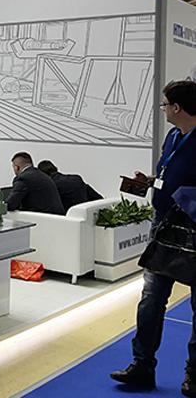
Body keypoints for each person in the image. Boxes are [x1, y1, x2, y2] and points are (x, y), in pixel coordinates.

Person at [112, 80, 196, 396]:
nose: (163, 110)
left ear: (177, 107)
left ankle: (194, 374)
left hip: (193, 231)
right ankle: (142, 365)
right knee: (151, 299)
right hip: (163, 228)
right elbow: (167, 174)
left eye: (165, 104)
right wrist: (150, 181)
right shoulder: (173, 137)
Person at [36, 160, 103, 214]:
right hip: (85, 213)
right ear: (55, 168)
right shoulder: (76, 178)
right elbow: (97, 197)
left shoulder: (51, 186)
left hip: (67, 217)